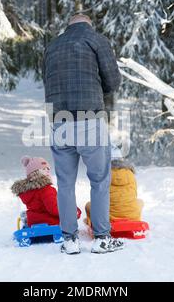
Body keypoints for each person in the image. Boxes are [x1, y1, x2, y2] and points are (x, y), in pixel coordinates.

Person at [42, 13, 124, 254]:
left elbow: (47, 81)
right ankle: (101, 238)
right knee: (99, 180)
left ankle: (69, 240)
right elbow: (113, 82)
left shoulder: (52, 46)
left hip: (60, 121)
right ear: (89, 24)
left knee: (65, 183)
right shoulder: (97, 40)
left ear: (68, 26)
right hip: (90, 120)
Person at [11, 156, 81, 227]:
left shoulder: (28, 191)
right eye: (43, 169)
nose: (47, 170)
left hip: (33, 223)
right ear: (35, 173)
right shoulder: (46, 189)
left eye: (48, 169)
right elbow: (54, 209)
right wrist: (71, 212)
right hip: (51, 223)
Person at [85, 145, 144, 226]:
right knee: (140, 202)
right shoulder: (130, 174)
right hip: (131, 215)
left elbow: (98, 196)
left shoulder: (103, 174)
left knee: (88, 205)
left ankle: (91, 222)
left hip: (107, 217)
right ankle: (135, 219)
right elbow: (134, 193)